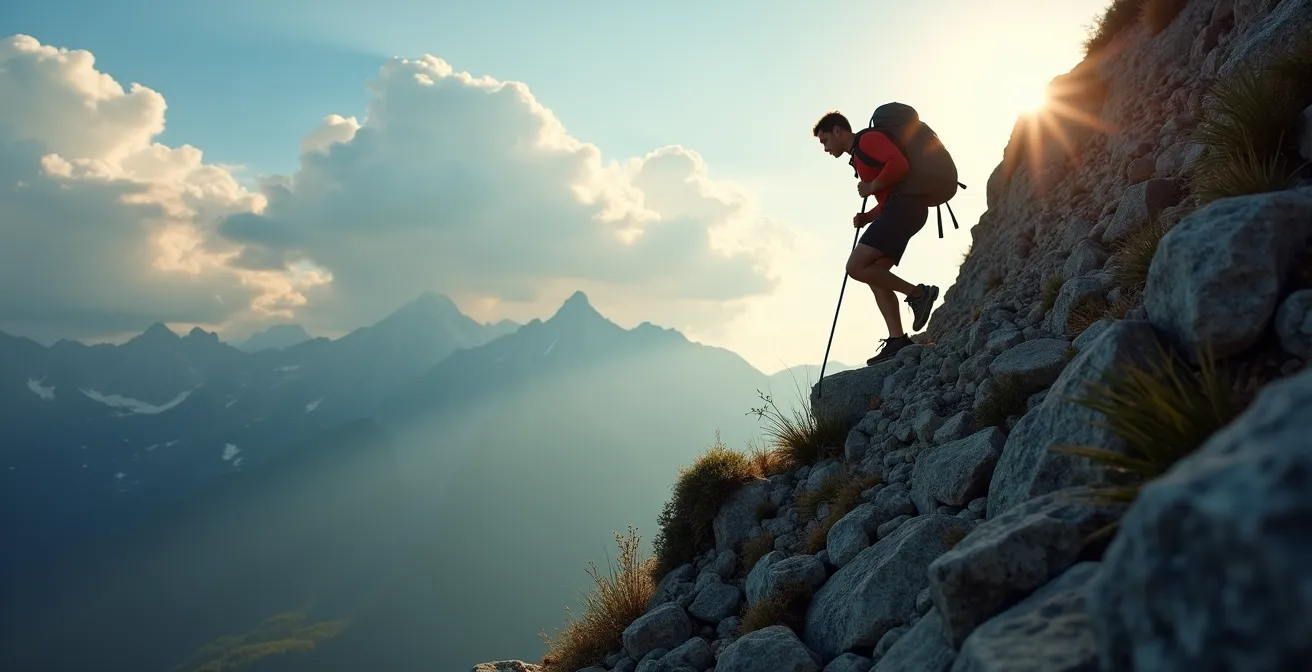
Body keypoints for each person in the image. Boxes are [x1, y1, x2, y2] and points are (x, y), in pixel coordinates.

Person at [813, 110, 940, 365]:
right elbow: (888, 196)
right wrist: (868, 217)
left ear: (838, 130)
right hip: (902, 208)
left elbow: (899, 164)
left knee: (856, 266)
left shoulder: (867, 141)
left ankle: (918, 294)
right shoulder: (858, 157)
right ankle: (897, 340)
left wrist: (871, 186)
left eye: (825, 140)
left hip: (905, 208)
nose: (825, 148)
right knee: (874, 271)